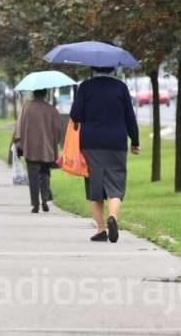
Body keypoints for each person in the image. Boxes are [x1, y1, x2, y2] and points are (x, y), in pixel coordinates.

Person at [70, 67, 140, 243]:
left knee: (95, 184)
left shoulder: (85, 87)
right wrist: (135, 141)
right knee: (116, 181)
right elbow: (130, 117)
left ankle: (101, 229)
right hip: (116, 142)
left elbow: (75, 115)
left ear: (94, 68)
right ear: (113, 69)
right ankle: (113, 217)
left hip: (91, 143)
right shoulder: (120, 88)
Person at [13, 89, 63, 213]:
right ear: (45, 94)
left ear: (34, 94)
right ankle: (45, 199)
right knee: (45, 174)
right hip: (47, 148)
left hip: (30, 148)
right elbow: (58, 130)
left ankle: (35, 204)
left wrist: (18, 142)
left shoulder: (26, 108)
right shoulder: (51, 109)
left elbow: (19, 127)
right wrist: (54, 142)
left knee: (33, 176)